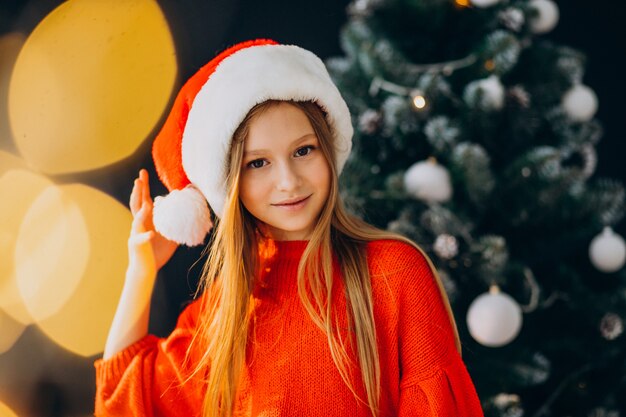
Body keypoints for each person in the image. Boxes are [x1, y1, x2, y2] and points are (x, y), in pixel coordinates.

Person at [94, 39, 484, 417]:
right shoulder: (226, 308)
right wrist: (140, 273)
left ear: (329, 148)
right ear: (231, 183)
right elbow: (125, 402)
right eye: (257, 163)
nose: (288, 181)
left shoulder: (395, 273)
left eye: (303, 150)